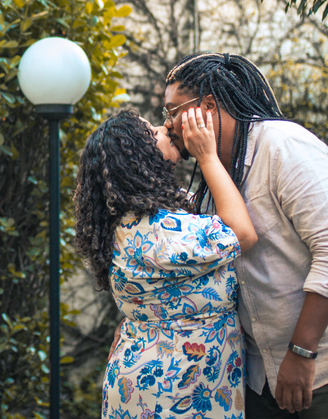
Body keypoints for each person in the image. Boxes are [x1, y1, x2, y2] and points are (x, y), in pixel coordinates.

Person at [162, 52, 328, 419]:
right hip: (262, 374)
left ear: (208, 106)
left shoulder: (284, 146)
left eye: (174, 110)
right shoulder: (216, 175)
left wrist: (303, 352)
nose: (170, 123)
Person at [74, 108, 257, 419]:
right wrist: (208, 156)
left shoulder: (134, 220)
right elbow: (242, 233)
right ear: (138, 156)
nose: (164, 128)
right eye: (153, 131)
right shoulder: (158, 231)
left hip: (155, 379)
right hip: (172, 391)